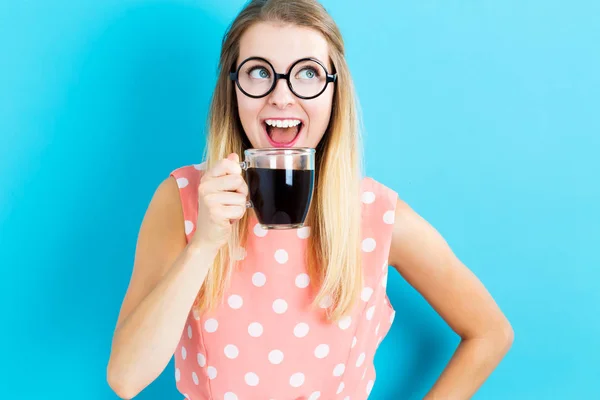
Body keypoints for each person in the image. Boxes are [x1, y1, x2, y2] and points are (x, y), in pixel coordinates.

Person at [107, 0, 514, 399]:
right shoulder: (183, 201)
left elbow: (490, 332)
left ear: (334, 91)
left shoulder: (376, 217)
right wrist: (204, 245)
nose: (281, 96)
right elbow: (126, 379)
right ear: (233, 89)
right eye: (259, 72)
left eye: (306, 73)